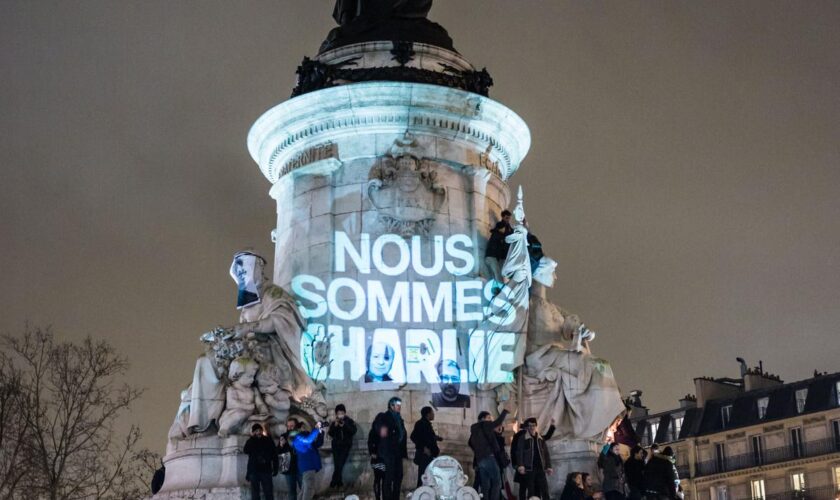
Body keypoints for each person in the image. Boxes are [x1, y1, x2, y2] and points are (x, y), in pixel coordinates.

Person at [468, 402, 513, 500]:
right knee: (497, 482)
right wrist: (505, 411)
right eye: (489, 417)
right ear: (483, 419)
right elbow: (498, 422)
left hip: (480, 460)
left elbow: (471, 443)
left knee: (486, 484)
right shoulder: (485, 425)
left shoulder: (475, 430)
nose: (491, 420)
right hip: (489, 458)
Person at [371, 397, 408, 500]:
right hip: (388, 453)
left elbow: (402, 435)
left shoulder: (399, 419)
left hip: (398, 453)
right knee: (388, 478)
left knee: (398, 477)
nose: (399, 406)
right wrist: (380, 429)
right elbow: (377, 426)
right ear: (391, 406)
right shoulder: (384, 416)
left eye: (400, 405)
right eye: (397, 404)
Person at [511, 417, 554, 500]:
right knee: (531, 490)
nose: (532, 427)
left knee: (544, 489)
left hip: (540, 468)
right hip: (529, 469)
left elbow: (546, 453)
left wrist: (549, 466)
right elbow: (519, 452)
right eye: (530, 426)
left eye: (533, 425)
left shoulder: (540, 438)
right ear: (527, 427)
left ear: (536, 426)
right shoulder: (522, 438)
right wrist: (520, 465)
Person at [243, 423, 279, 500]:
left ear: (262, 431)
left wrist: (275, 468)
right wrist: (252, 438)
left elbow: (274, 455)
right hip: (254, 470)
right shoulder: (251, 441)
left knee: (268, 492)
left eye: (260, 430)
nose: (258, 432)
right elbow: (245, 450)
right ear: (253, 432)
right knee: (255, 494)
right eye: (256, 431)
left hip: (266, 470)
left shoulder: (268, 440)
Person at [410, 406, 442, 487]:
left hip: (429, 455)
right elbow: (414, 437)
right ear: (428, 414)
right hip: (424, 455)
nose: (433, 414)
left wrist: (436, 438)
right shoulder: (421, 423)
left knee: (427, 477)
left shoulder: (426, 424)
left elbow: (426, 437)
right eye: (432, 413)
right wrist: (424, 448)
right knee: (423, 476)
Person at [327, 404, 357, 488]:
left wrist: (344, 425)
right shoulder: (334, 422)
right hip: (336, 446)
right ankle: (339, 482)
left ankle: (333, 482)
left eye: (342, 413)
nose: (340, 414)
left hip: (345, 446)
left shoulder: (349, 421)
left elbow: (353, 431)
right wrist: (335, 426)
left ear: (345, 413)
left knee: (340, 464)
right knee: (337, 464)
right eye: (338, 413)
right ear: (336, 414)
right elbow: (330, 434)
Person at [293, 421, 325, 500]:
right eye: (303, 427)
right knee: (309, 489)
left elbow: (318, 444)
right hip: (307, 466)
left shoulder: (307, 436)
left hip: (310, 466)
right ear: (298, 429)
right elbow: (308, 440)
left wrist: (321, 433)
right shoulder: (298, 437)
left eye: (305, 426)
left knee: (305, 489)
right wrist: (316, 429)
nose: (305, 428)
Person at [485, 210, 513, 289]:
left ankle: (496, 289)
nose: (508, 220)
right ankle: (500, 291)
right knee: (497, 274)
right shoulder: (501, 228)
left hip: (497, 257)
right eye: (507, 218)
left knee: (497, 275)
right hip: (492, 256)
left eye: (509, 218)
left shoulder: (508, 229)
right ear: (503, 217)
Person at [278, 417, 301, 498]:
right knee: (291, 490)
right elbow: (278, 451)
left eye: (292, 426)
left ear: (296, 426)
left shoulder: (300, 435)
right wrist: (281, 445)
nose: (290, 428)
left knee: (304, 489)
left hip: (300, 466)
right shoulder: (283, 436)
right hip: (288, 467)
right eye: (288, 426)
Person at [368, 424, 387, 500]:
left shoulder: (374, 430)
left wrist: (372, 453)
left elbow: (369, 443)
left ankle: (378, 497)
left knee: (378, 479)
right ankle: (380, 497)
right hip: (380, 458)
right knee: (381, 480)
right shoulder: (375, 431)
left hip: (380, 458)